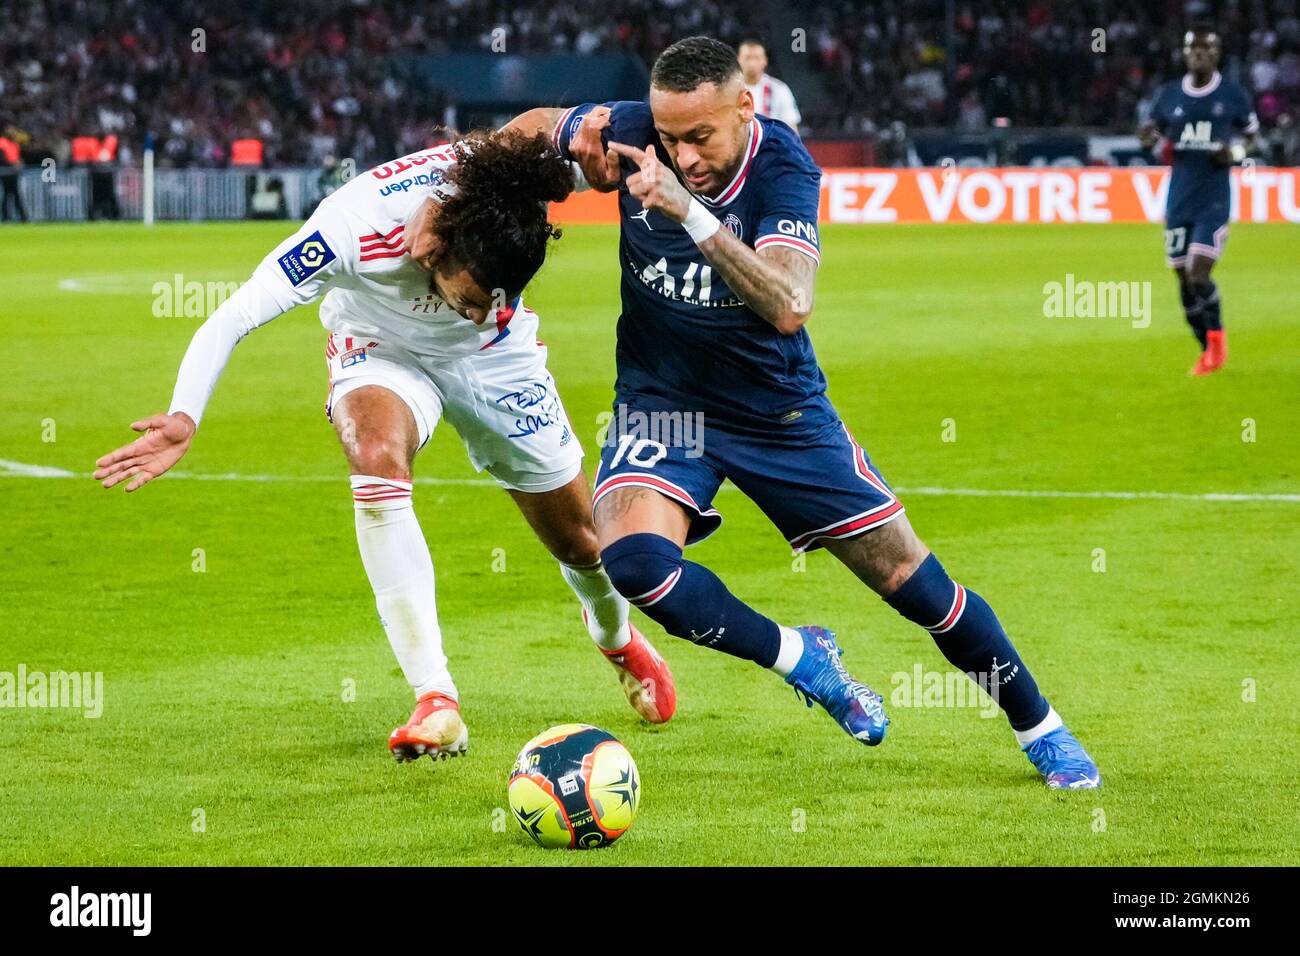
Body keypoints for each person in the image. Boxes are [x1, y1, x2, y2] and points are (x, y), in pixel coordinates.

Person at [514, 37, 1100, 788]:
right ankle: (804, 659)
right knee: (633, 564)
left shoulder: (783, 167)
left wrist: (687, 210)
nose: (683, 156)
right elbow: (534, 124)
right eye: (669, 138)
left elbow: (789, 304)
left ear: (744, 106)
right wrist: (517, 158)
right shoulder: (631, 128)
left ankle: (1039, 725)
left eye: (701, 137)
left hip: (778, 414)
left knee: (915, 584)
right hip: (664, 401)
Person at [93, 129, 677, 762]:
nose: (480, 309)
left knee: (582, 541)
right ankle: (436, 698)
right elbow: (235, 314)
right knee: (375, 459)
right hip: (380, 348)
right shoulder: (350, 230)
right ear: (435, 248)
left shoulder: (505, 195)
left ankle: (614, 635)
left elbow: (574, 131)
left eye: (497, 301)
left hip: (497, 363)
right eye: (473, 297)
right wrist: (185, 414)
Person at [1139, 25, 1258, 376]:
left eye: (1206, 49)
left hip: (1214, 199)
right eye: (1193, 49)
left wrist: (1234, 150)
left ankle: (1217, 342)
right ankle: (1205, 347)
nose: (1198, 55)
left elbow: (1252, 138)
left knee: (1198, 273)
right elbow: (1153, 136)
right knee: (1181, 277)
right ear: (1185, 53)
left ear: (1217, 54)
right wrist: (1147, 139)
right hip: (1179, 198)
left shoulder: (1233, 95)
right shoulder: (1169, 96)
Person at [738, 39, 802, 131]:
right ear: (738, 60)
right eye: (747, 58)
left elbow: (791, 127)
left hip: (770, 144)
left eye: (756, 58)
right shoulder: (729, 89)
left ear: (765, 61)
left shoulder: (779, 89)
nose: (752, 63)